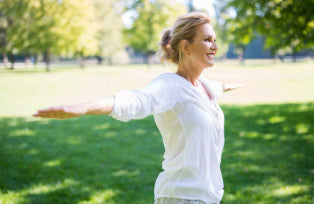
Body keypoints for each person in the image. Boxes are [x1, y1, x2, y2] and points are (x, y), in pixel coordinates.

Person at [33, 12, 242, 204]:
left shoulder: (204, 85)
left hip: (208, 196)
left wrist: (227, 86)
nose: (214, 45)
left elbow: (216, 88)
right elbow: (134, 101)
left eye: (214, 40)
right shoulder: (170, 86)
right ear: (186, 47)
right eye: (207, 40)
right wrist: (83, 108)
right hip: (181, 196)